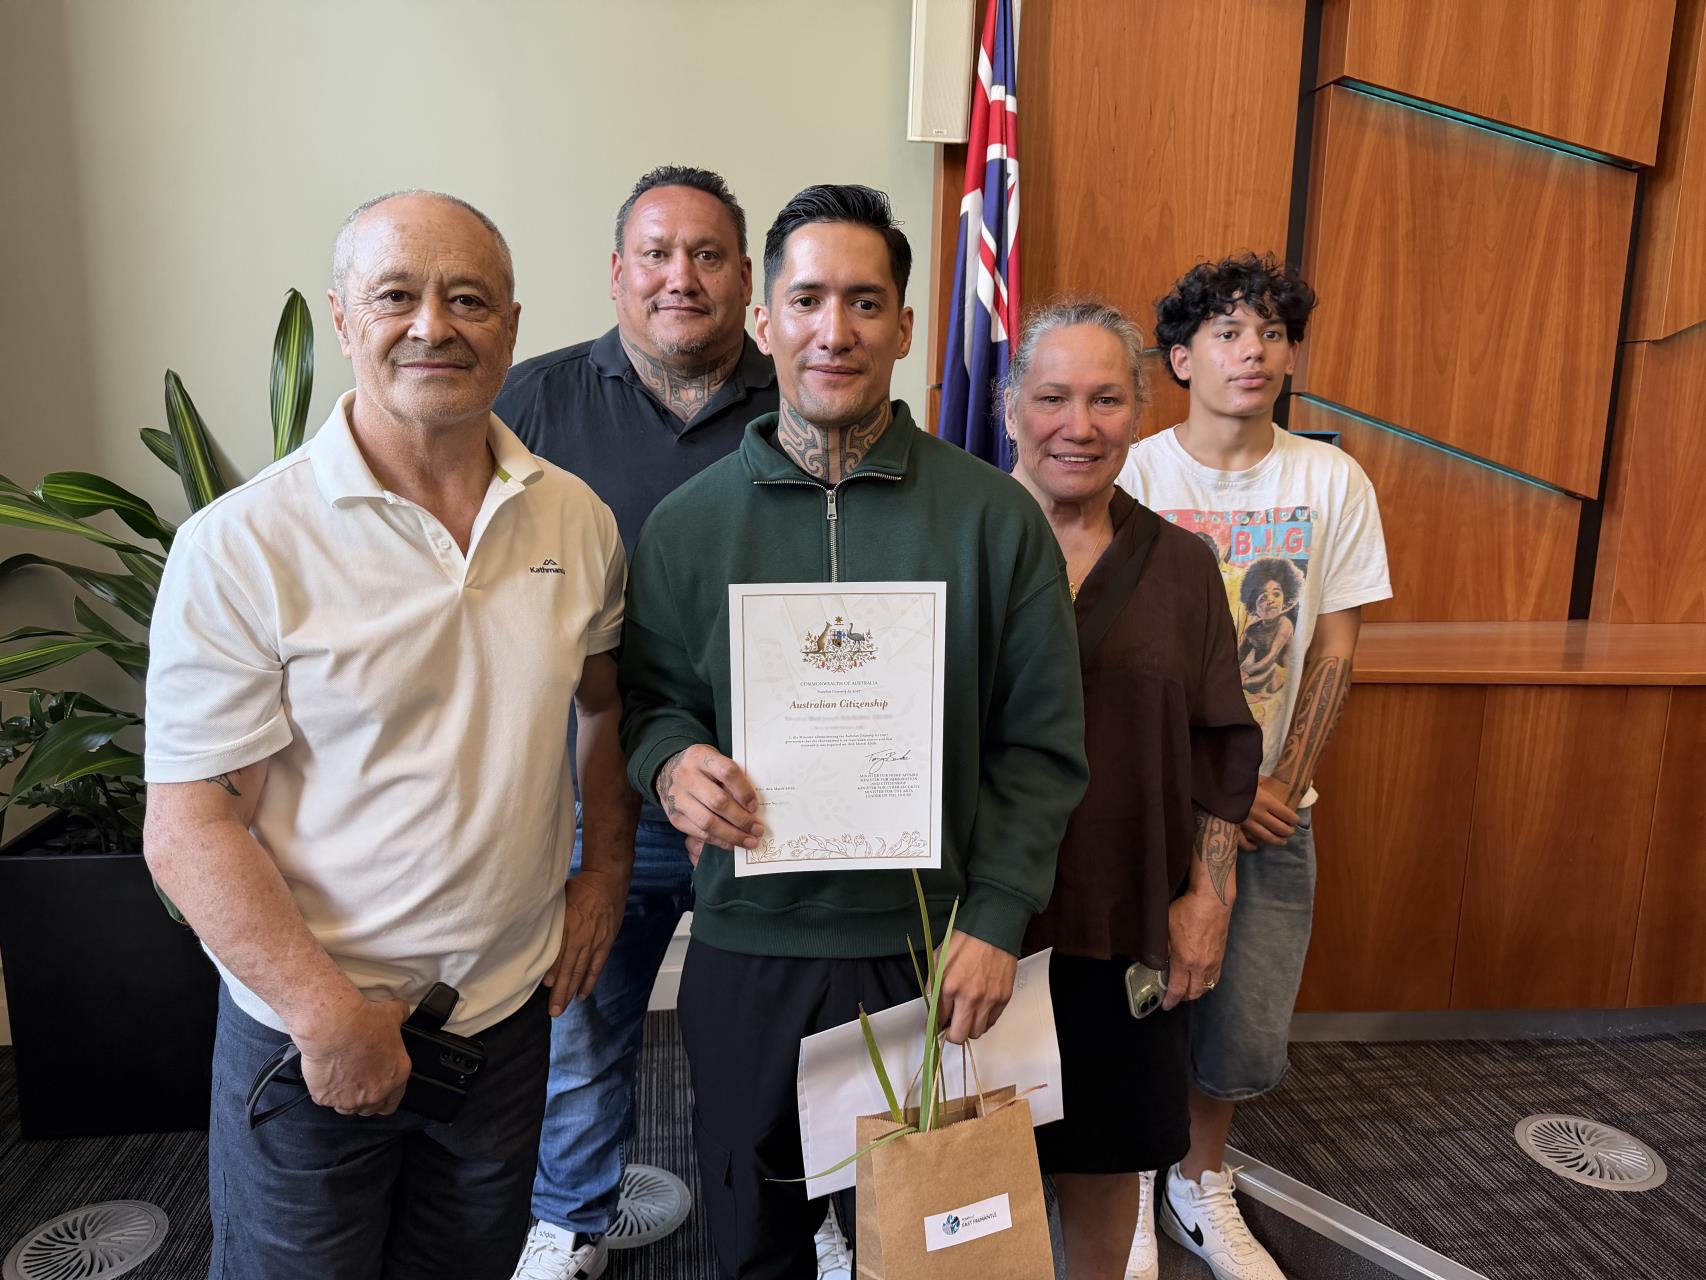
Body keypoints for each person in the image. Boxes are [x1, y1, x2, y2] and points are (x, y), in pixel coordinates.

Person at [142, 191, 631, 1280]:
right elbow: (187, 824)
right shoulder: (242, 545)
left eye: (466, 298)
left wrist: (601, 871)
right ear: (342, 315)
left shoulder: (575, 518)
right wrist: (325, 1015)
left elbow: (603, 701)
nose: (432, 325)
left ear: (509, 321)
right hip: (314, 1034)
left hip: (504, 1021)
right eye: (396, 295)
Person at [617, 183, 1089, 1280]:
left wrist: (998, 913)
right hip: (751, 943)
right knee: (755, 1238)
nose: (835, 330)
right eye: (809, 299)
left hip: (935, 950)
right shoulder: (688, 527)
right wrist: (671, 764)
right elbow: (652, 701)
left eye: (865, 302)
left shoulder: (990, 517)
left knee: (936, 1244)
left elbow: (1042, 741)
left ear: (905, 327)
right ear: (764, 319)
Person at [492, 166, 791, 1280]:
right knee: (582, 1021)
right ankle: (570, 1218)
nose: (681, 276)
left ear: (744, 279)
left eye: (708, 255)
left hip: (765, 802)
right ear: (616, 272)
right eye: (656, 254)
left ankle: (786, 1221)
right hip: (590, 792)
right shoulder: (531, 398)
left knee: (773, 1036)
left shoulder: (798, 396)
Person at [1119, 253, 1391, 1280]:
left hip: (1277, 806)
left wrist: (1270, 784)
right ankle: (1127, 1184)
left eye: (1272, 332)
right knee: (1136, 999)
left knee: (1236, 1022)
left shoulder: (1329, 478)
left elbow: (1332, 645)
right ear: (1181, 357)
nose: (1254, 350)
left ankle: (1199, 1180)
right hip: (1151, 804)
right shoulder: (1137, 472)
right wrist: (1208, 785)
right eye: (1228, 331)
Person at [1006, 300, 1262, 1280]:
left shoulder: (1182, 568)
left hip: (1123, 925)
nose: (1079, 423)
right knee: (969, 1168)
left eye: (1106, 398)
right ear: (1008, 405)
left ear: (1138, 407)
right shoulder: (956, 545)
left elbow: (1219, 749)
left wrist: (1208, 895)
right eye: (1053, 396)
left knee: (1105, 1163)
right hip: (980, 927)